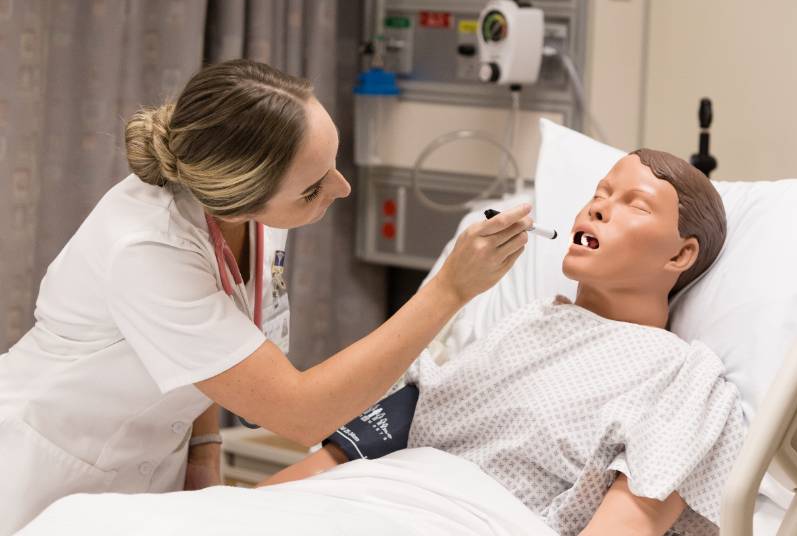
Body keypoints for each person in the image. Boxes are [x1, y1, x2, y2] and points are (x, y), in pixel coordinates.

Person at [0, 59, 532, 534]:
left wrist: (205, 455)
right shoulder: (146, 248)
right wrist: (449, 290)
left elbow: (214, 352)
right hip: (40, 469)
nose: (342, 188)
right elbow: (300, 414)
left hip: (147, 473)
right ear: (237, 199)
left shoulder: (253, 217)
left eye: (333, 163)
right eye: (314, 186)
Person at [261, 150, 745, 536]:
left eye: (634, 204)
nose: (598, 207)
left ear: (681, 254)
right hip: (364, 499)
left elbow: (632, 522)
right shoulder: (523, 325)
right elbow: (381, 432)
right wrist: (242, 505)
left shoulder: (683, 376)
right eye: (601, 192)